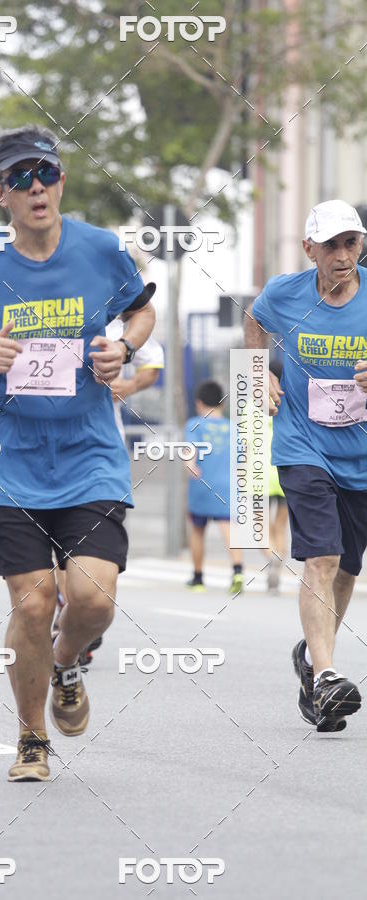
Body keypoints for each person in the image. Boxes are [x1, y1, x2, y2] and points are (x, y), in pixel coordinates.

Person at [0, 124, 156, 781]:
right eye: (21, 179)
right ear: (0, 193)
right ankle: (32, 740)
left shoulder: (100, 249)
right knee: (32, 601)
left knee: (91, 600)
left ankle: (67, 661)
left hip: (88, 454)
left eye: (46, 174)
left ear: (61, 181)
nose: (37, 188)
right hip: (6, 461)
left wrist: (124, 348)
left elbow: (141, 313)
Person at [245, 199, 367, 732]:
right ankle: (327, 675)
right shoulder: (284, 294)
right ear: (309, 249)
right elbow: (254, 322)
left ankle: (313, 661)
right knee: (322, 555)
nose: (343, 256)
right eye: (332, 245)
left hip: (360, 454)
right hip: (302, 445)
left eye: (352, 243)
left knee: (346, 571)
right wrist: (259, 374)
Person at [52, 319, 165, 665]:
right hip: (42, 450)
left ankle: (76, 616)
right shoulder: (40, 311)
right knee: (55, 545)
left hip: (98, 452)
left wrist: (125, 388)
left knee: (84, 550)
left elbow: (153, 364)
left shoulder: (117, 328)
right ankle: (70, 613)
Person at [185, 380, 244, 594]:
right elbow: (242, 457)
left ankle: (198, 578)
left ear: (199, 403)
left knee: (198, 530)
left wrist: (190, 465)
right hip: (227, 485)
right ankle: (237, 571)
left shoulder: (194, 424)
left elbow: (190, 448)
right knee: (228, 527)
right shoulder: (234, 428)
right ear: (223, 404)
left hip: (202, 483)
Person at [261, 360, 289, 592]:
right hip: (285, 472)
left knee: (262, 526)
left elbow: (245, 445)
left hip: (260, 475)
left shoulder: (251, 406)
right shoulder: (291, 403)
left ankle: (271, 556)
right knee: (281, 525)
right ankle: (278, 561)